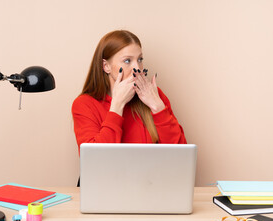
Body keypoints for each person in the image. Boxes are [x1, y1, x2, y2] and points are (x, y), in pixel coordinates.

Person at [72, 30, 187, 185]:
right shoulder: (84, 104)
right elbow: (96, 161)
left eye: (140, 59)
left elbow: (180, 159)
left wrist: (158, 107)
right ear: (106, 66)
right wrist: (117, 107)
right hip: (106, 189)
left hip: (151, 187)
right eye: (127, 61)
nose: (137, 68)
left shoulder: (154, 94)